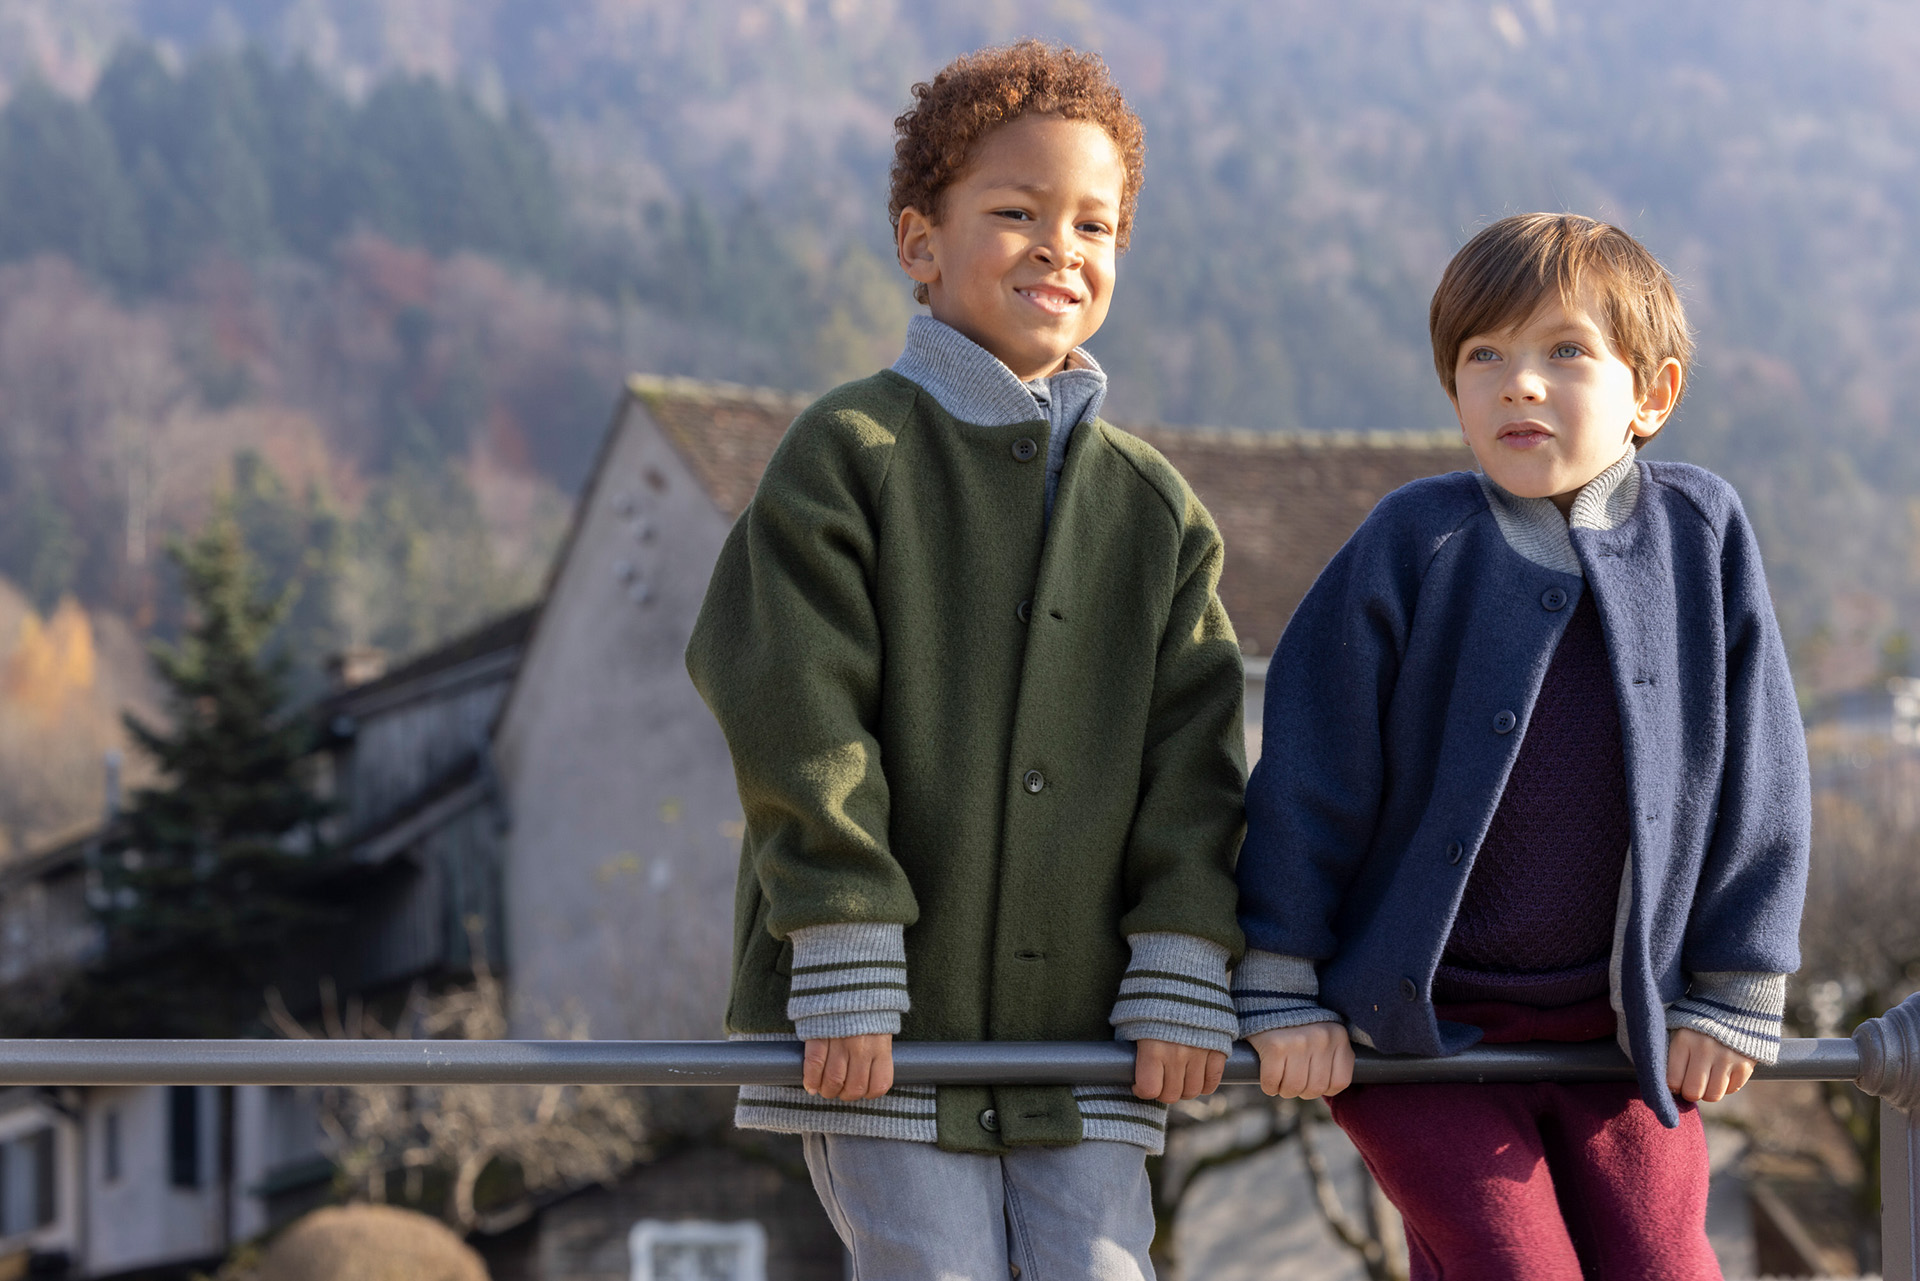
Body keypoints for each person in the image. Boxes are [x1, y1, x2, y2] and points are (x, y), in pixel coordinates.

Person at [685, 41, 1246, 1281]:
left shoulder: (1154, 510)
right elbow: (795, 709)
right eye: (1016, 212)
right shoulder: (848, 452)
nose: (1061, 247)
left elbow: (1197, 759)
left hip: (1085, 1043)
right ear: (919, 240)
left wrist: (1182, 964)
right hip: (880, 1030)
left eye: (1093, 224)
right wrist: (841, 944)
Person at [1233, 212, 1810, 1279]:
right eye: (1482, 356)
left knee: (1661, 1263)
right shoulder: (1413, 543)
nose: (1519, 383)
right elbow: (1308, 775)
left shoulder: (1703, 534)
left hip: (1624, 1024)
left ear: (1654, 395)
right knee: (1512, 1265)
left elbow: (1763, 772)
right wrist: (1279, 981)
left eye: (1565, 351)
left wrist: (1738, 984)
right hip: (1417, 1027)